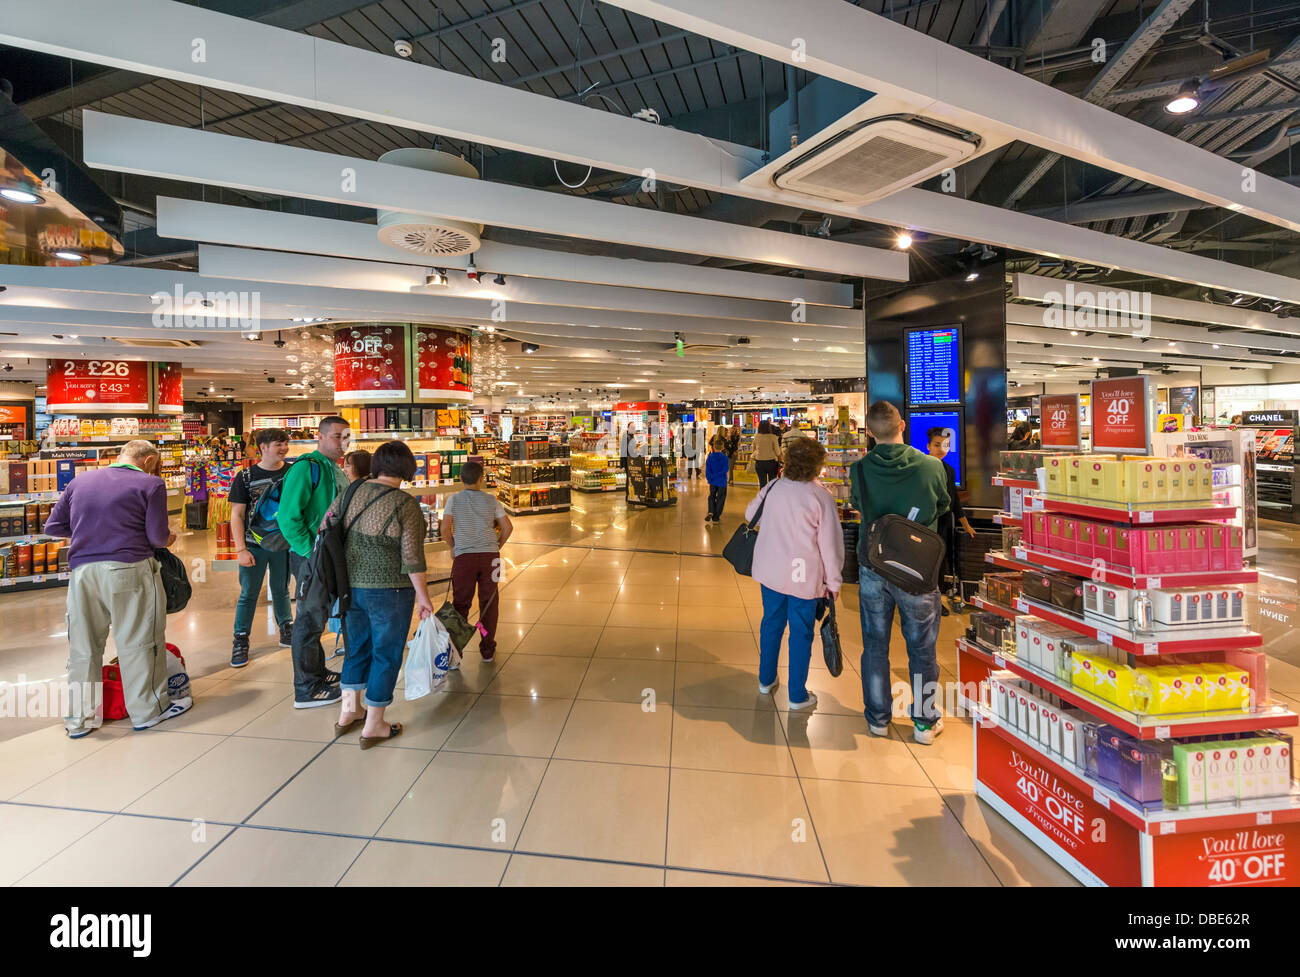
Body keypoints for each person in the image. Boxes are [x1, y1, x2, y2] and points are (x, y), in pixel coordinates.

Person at [44, 439, 190, 736]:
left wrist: (92, 530)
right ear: (149, 460)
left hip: (83, 574)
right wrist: (168, 539)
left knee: (83, 647)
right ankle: (148, 711)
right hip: (129, 569)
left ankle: (79, 721)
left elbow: (53, 527)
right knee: (139, 641)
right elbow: (157, 536)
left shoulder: (80, 481)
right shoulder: (150, 484)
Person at [850, 402, 951, 744]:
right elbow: (942, 506)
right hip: (918, 569)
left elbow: (858, 506)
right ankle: (923, 722)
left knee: (875, 645)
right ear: (903, 425)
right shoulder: (932, 466)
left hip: (873, 567)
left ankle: (877, 718)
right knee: (922, 648)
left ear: (868, 432)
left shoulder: (860, 469)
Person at [328, 441, 435, 747]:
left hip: (349, 588)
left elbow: (326, 526)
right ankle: (374, 724)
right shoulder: (405, 504)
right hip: (390, 590)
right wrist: (424, 598)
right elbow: (412, 557)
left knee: (356, 649)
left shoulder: (351, 491)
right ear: (407, 467)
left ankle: (349, 713)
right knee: (386, 655)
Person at [745, 437, 843, 710]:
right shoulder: (820, 497)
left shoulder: (773, 487)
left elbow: (751, 513)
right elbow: (831, 546)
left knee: (771, 624)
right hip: (803, 575)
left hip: (771, 570)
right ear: (817, 466)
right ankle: (797, 694)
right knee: (800, 632)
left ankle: (766, 680)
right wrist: (834, 581)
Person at [277, 415, 351, 708]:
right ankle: (306, 688)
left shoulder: (335, 469)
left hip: (328, 555)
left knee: (318, 617)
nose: (343, 443)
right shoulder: (306, 468)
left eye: (346, 437)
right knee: (308, 620)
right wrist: (311, 552)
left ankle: (318, 673)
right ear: (319, 437)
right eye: (337, 437)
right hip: (312, 557)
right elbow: (287, 517)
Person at [229, 428, 294, 667]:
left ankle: (287, 628)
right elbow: (237, 514)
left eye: (285, 443)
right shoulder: (245, 477)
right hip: (253, 544)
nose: (284, 448)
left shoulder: (292, 473)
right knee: (248, 594)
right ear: (263, 447)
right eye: (279, 444)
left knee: (281, 588)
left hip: (284, 544)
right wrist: (240, 550)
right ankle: (241, 639)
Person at [441, 460, 513, 663]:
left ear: (461, 478)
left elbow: (445, 529)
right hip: (490, 558)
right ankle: (487, 649)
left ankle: (456, 651)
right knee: (489, 602)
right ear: (481, 478)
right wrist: (497, 546)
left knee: (461, 603)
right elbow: (507, 527)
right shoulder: (491, 501)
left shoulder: (453, 500)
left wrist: (454, 546)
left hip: (465, 558)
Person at [927, 426, 975, 618]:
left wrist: (966, 524)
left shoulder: (949, 470)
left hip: (944, 522)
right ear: (928, 446)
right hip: (926, 521)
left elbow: (953, 500)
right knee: (926, 562)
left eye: (945, 445)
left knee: (940, 563)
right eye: (937, 444)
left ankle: (936, 603)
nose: (941, 449)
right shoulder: (920, 467)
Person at [704, 435, 730, 525]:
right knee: (720, 498)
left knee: (711, 496)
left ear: (714, 447)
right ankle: (716, 517)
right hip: (722, 481)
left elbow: (707, 469)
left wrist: (710, 478)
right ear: (722, 447)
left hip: (712, 481)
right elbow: (725, 469)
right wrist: (717, 475)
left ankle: (711, 510)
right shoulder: (725, 458)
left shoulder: (710, 457)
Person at [752, 420, 782, 487]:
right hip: (771, 462)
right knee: (772, 483)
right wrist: (780, 459)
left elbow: (753, 450)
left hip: (759, 462)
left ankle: (763, 497)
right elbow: (777, 452)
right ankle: (771, 496)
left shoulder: (756, 437)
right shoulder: (773, 437)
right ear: (769, 427)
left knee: (762, 484)